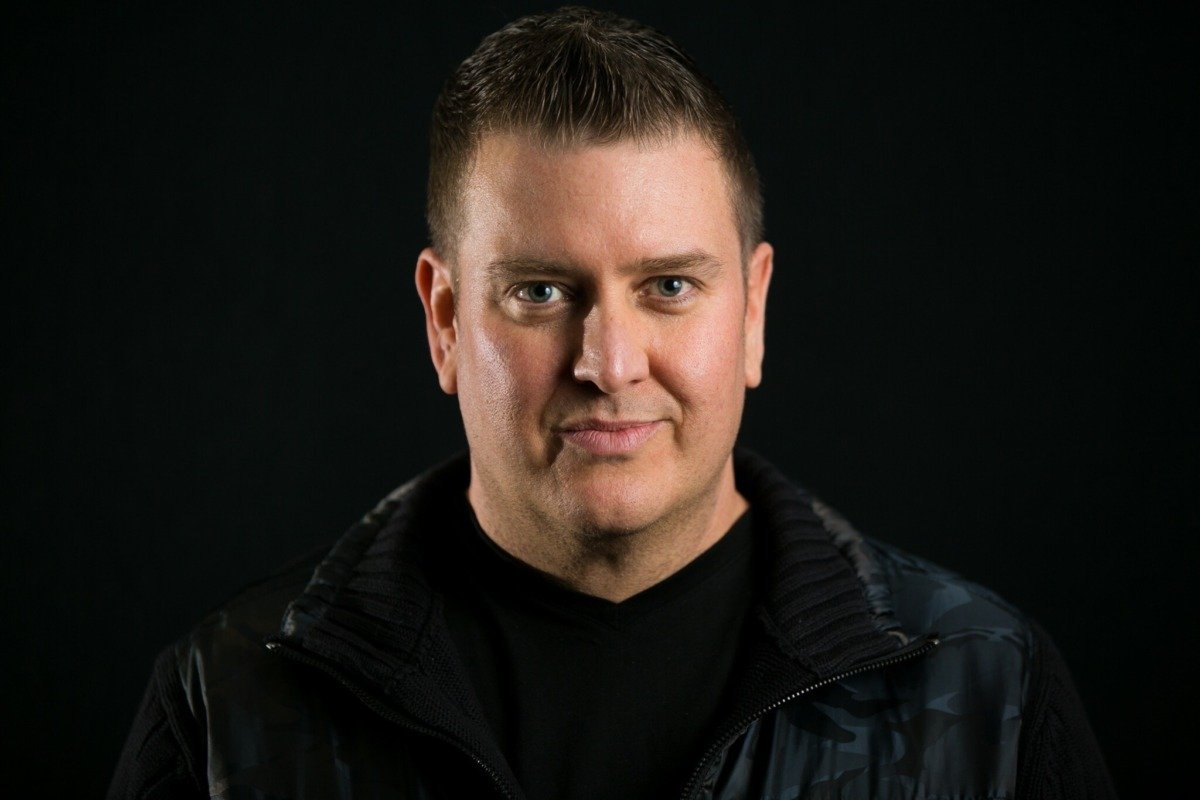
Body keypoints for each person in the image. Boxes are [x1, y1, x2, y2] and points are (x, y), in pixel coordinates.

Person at [109, 7, 1115, 799]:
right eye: (540, 292)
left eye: (669, 286)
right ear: (445, 320)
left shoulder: (988, 690)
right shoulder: (228, 705)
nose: (609, 362)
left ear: (753, 312)